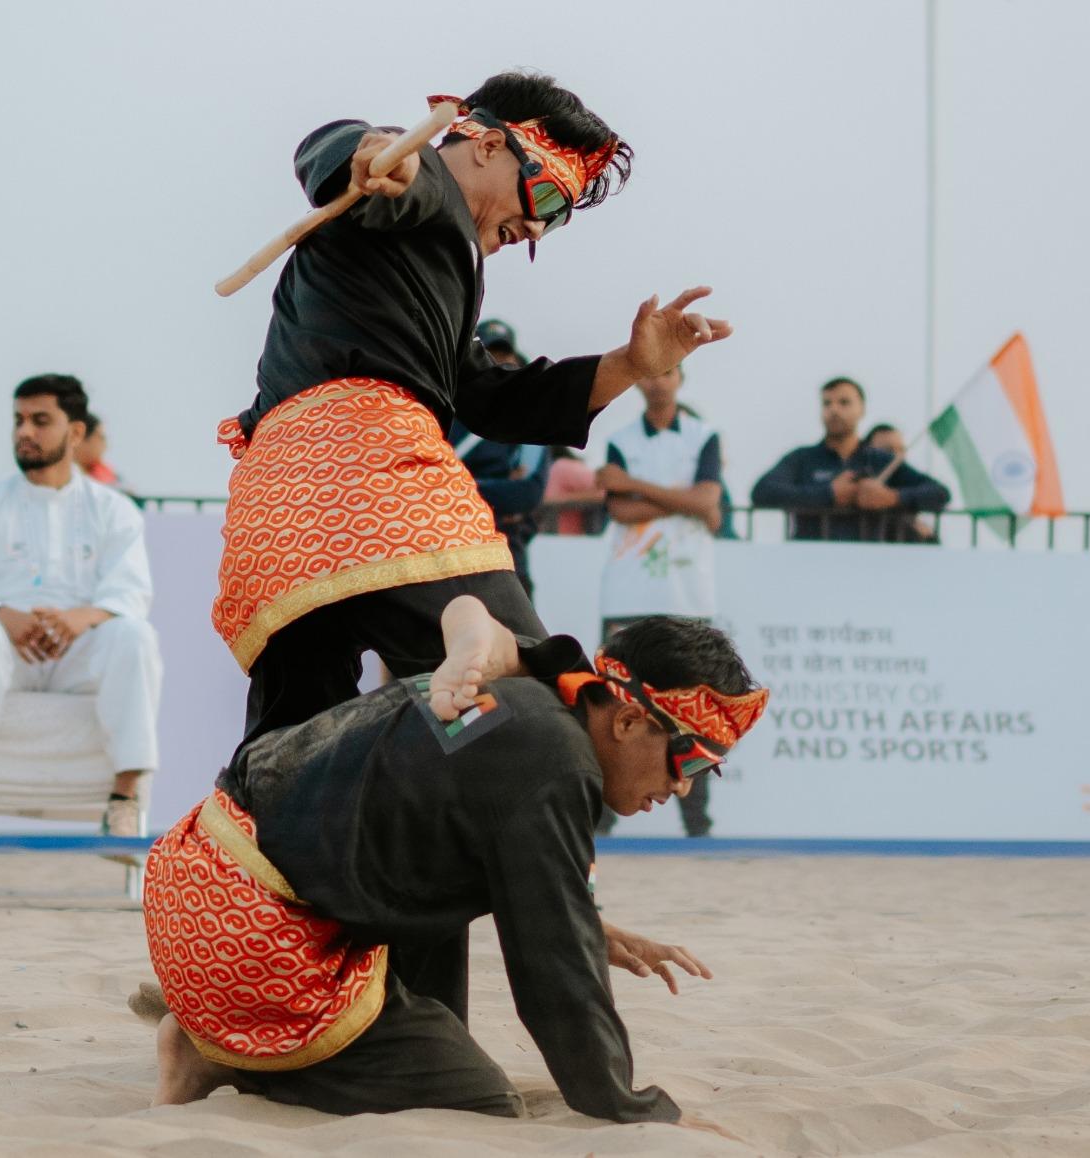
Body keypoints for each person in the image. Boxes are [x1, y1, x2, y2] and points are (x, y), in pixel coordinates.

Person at [216, 71, 732, 740]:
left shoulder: (433, 270)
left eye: (557, 217)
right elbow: (358, 154)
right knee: (533, 712)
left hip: (278, 509)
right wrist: (373, 156)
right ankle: (485, 670)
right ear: (487, 146)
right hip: (367, 476)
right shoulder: (424, 189)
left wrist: (629, 365)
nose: (538, 226)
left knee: (295, 754)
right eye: (546, 194)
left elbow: (492, 400)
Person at [143, 594, 767, 1126]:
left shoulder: (535, 694)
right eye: (689, 760)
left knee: (445, 909)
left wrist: (585, 921)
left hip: (198, 874)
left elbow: (478, 865)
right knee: (481, 1104)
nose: (683, 786)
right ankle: (222, 1053)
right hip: (250, 935)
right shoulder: (557, 762)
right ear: (629, 721)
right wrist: (624, 1105)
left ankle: (224, 1018)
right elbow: (555, 974)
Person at [0, 374, 163, 849]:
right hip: (8, 653)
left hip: (80, 653)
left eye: (40, 421)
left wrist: (79, 618)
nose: (24, 432)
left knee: (135, 636)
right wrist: (5, 616)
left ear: (75, 432)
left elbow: (131, 592)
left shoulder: (114, 510)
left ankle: (123, 804)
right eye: (18, 420)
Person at [596, 362, 723, 836]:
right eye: (651, 373)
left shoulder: (704, 435)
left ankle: (697, 824)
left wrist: (635, 485)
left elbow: (707, 501)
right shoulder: (621, 439)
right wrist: (682, 501)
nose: (657, 380)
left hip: (687, 594)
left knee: (695, 710)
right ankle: (602, 819)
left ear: (680, 380)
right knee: (613, 707)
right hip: (628, 590)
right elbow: (619, 510)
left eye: (668, 372)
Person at [750, 377, 949, 541]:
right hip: (810, 565)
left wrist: (891, 497)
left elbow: (939, 493)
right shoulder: (802, 458)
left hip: (870, 566)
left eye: (844, 402)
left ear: (862, 409)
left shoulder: (881, 461)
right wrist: (829, 494)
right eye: (827, 403)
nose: (834, 410)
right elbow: (762, 492)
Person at [447, 318, 551, 596]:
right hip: (451, 558)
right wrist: (499, 490)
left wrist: (458, 484)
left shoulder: (531, 424)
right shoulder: (443, 417)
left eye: (505, 356)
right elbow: (426, 483)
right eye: (488, 356)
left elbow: (527, 493)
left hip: (508, 559)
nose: (499, 364)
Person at [75, 412, 126, 489]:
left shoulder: (109, 476)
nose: (106, 445)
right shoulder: (68, 476)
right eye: (101, 438)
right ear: (80, 437)